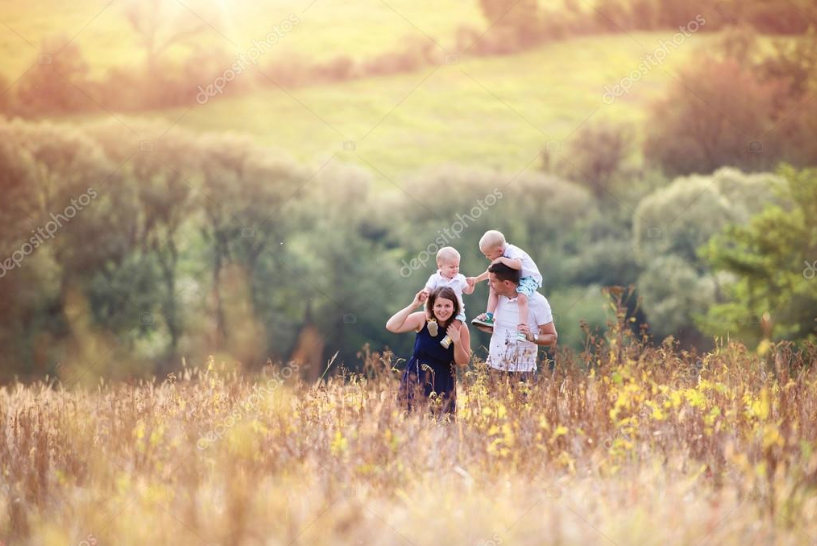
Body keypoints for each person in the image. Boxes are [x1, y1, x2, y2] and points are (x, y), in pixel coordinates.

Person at [386, 287, 471, 413]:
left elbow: (463, 362)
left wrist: (457, 341)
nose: (443, 310)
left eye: (447, 306)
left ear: (454, 307)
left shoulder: (460, 327)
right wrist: (414, 305)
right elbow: (391, 326)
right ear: (432, 307)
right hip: (416, 378)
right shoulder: (422, 319)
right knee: (410, 421)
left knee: (441, 425)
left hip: (444, 382)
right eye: (438, 306)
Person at [473, 262, 556, 380]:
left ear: (507, 283)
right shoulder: (497, 298)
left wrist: (532, 337)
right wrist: (485, 325)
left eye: (493, 281)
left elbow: (552, 337)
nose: (489, 284)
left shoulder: (538, 302)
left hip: (524, 372)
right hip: (493, 369)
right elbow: (504, 331)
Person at [468, 230, 543, 341]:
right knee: (493, 288)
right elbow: (491, 272)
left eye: (488, 255)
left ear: (499, 250)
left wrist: (501, 259)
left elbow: (518, 265)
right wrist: (477, 279)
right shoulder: (499, 255)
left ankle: (522, 328)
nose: (487, 257)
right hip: (516, 278)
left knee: (522, 296)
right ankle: (489, 316)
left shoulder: (512, 251)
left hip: (529, 278)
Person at [421, 247, 474, 347]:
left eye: (457, 266)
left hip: (456, 308)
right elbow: (428, 288)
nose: (455, 269)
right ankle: (431, 323)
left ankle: (448, 338)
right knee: (427, 305)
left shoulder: (460, 278)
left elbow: (467, 291)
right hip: (438, 306)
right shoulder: (435, 278)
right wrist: (425, 293)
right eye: (451, 267)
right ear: (440, 266)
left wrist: (471, 286)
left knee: (459, 320)